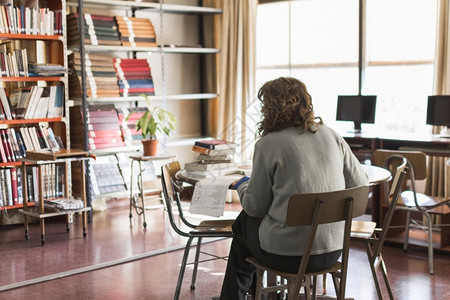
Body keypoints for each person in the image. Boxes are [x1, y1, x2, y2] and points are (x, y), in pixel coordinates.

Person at [219, 77, 369, 300]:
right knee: (249, 225)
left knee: (242, 224)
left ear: (270, 108)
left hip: (288, 256)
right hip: (334, 250)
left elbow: (255, 207)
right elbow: (361, 184)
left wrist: (243, 185)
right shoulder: (331, 135)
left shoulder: (268, 144)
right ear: (304, 102)